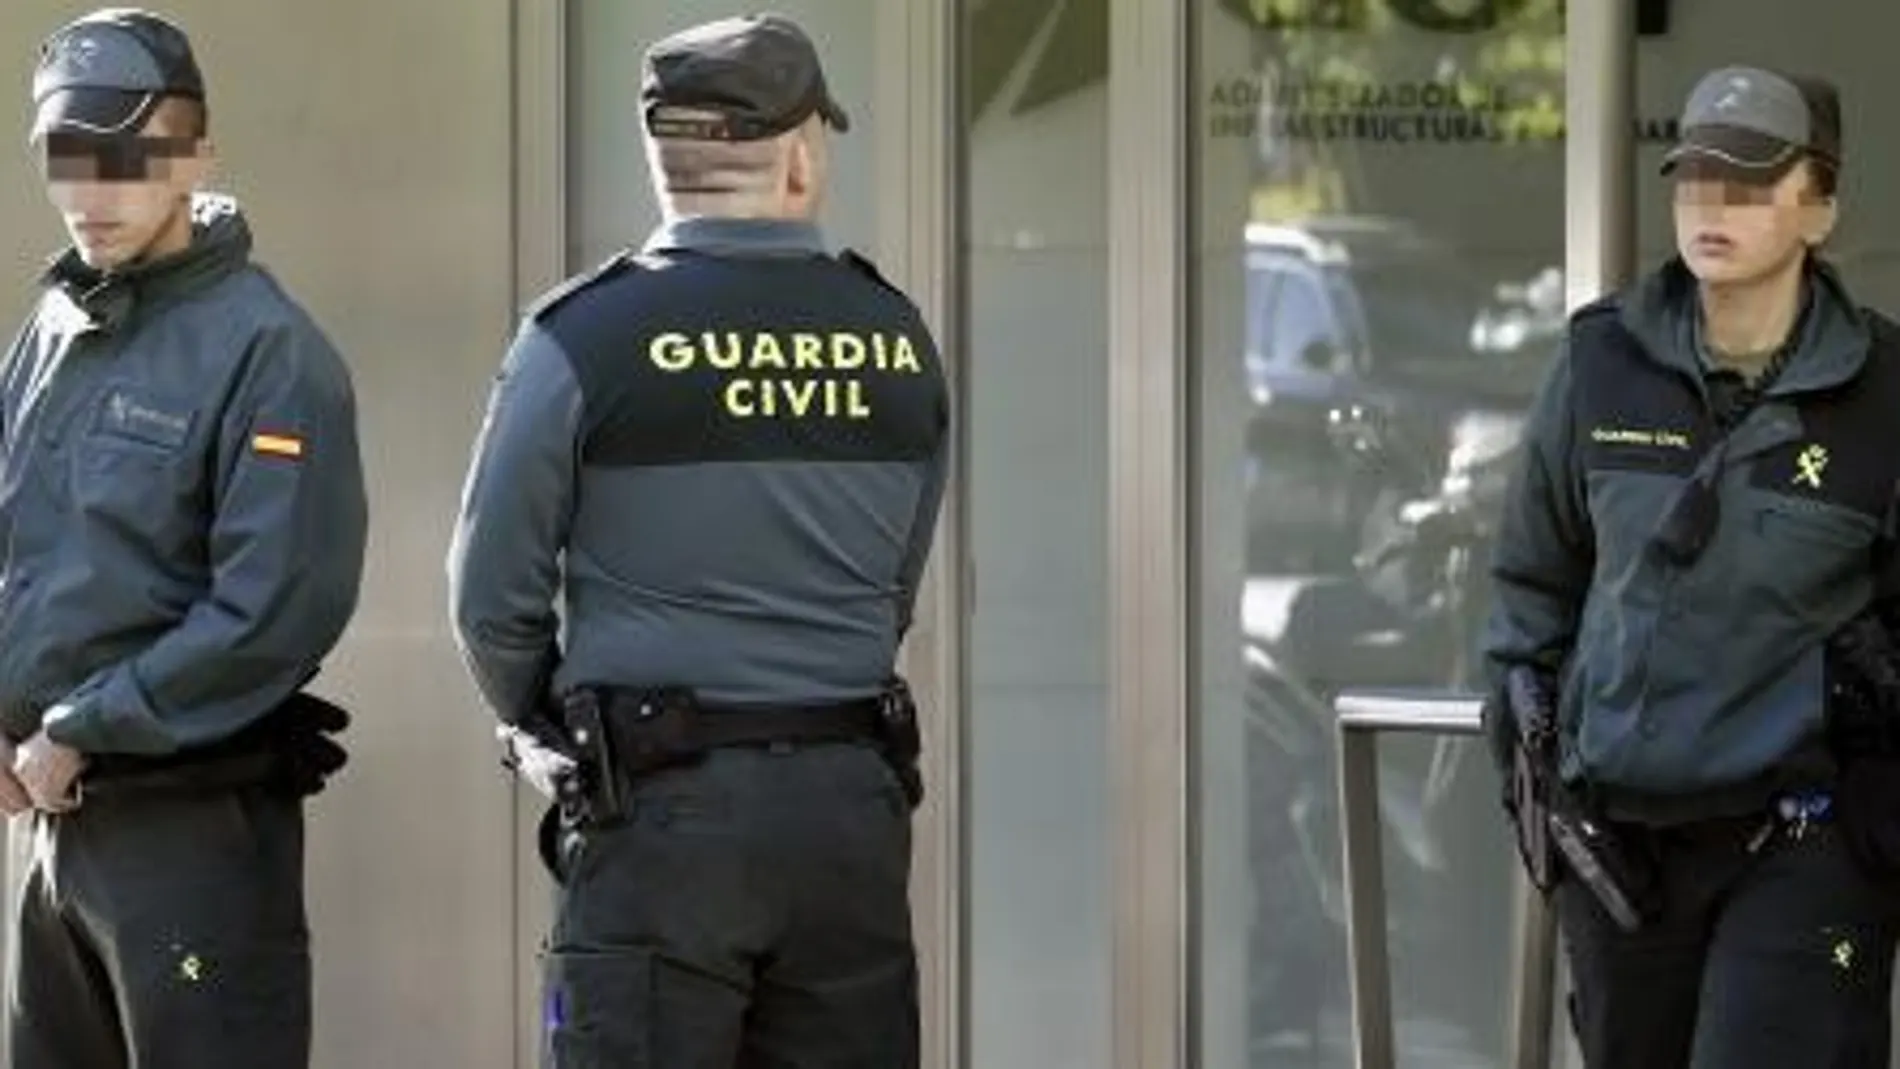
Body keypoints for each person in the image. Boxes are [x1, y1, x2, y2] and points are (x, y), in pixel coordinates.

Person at [447, 13, 949, 1068]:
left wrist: (559, 721)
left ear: (661, 158)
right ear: (802, 157)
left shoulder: (578, 337)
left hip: (657, 811)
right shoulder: (896, 336)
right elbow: (894, 585)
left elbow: (492, 595)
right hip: (845, 812)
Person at [1482, 66, 1900, 1068]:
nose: (1712, 202)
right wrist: (1537, 769)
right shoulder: (1597, 362)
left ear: (1820, 208)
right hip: (1621, 846)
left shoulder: (1886, 394)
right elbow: (1532, 590)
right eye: (1695, 174)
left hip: (1804, 843)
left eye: (1750, 180)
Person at [0, 10, 368, 1068]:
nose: (89, 193)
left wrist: (83, 723)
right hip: (52, 836)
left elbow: (273, 611)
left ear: (196, 151)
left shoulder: (270, 351)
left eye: (126, 157)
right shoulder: (53, 329)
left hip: (191, 842)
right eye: (67, 159)